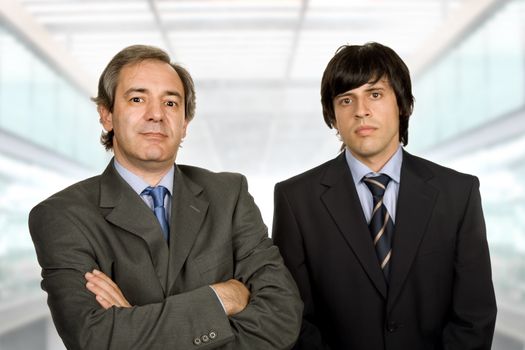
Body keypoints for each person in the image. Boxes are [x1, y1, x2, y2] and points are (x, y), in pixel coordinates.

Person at [29, 44, 302, 350]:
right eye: (137, 99)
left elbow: (283, 316)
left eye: (171, 103)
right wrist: (220, 298)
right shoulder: (62, 216)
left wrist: (134, 325)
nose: (156, 114)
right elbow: (94, 338)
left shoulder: (230, 195)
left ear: (185, 123)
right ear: (106, 115)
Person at [272, 42, 497, 349]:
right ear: (333, 115)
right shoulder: (296, 200)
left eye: (375, 94)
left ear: (402, 104)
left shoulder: (458, 193)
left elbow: (475, 315)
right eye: (346, 99)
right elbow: (293, 318)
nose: (361, 111)